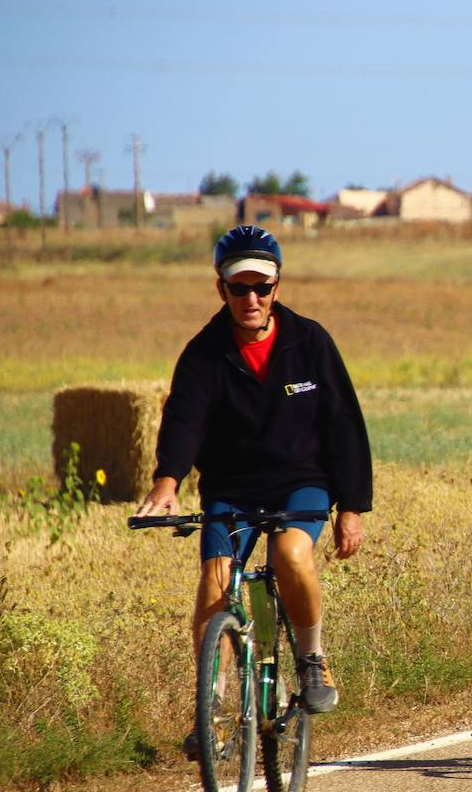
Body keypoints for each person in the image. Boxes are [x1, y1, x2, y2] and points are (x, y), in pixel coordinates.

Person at [134, 225, 372, 755]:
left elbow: (344, 426)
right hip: (232, 488)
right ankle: (211, 711)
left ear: (277, 288)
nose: (251, 299)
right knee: (215, 584)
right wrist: (168, 481)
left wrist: (351, 508)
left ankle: (312, 659)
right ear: (221, 290)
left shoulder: (309, 342)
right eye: (239, 288)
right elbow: (184, 422)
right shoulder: (203, 353)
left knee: (290, 551)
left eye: (261, 287)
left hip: (302, 483)